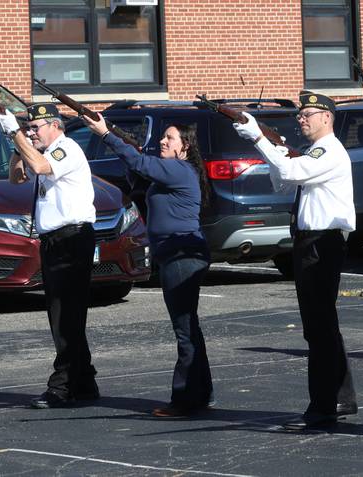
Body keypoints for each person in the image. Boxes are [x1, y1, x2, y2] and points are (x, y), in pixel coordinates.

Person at [233, 92, 357, 430]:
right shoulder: (316, 152)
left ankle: (323, 405)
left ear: (327, 118)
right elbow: (284, 179)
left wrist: (259, 137)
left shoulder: (328, 150)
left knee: (317, 328)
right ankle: (340, 396)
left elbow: (290, 170)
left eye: (308, 114)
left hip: (321, 243)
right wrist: (277, 150)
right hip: (311, 242)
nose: (301, 119)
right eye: (300, 114)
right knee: (323, 325)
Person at [82, 113, 214, 417]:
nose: (163, 142)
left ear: (185, 147)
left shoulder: (180, 169)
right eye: (163, 137)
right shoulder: (174, 170)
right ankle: (199, 392)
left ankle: (185, 399)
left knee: (184, 329)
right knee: (189, 327)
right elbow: (138, 172)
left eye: (169, 138)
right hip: (175, 254)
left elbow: (142, 165)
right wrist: (129, 149)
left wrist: (107, 135)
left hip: (182, 255)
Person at [0, 103, 99, 409]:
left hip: (71, 239)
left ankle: (62, 386)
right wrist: (17, 144)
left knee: (64, 315)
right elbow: (17, 178)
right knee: (65, 315)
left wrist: (17, 135)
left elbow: (40, 167)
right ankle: (84, 381)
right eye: (29, 128)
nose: (32, 132)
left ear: (55, 125)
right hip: (54, 241)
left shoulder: (65, 149)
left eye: (36, 127)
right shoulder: (44, 150)